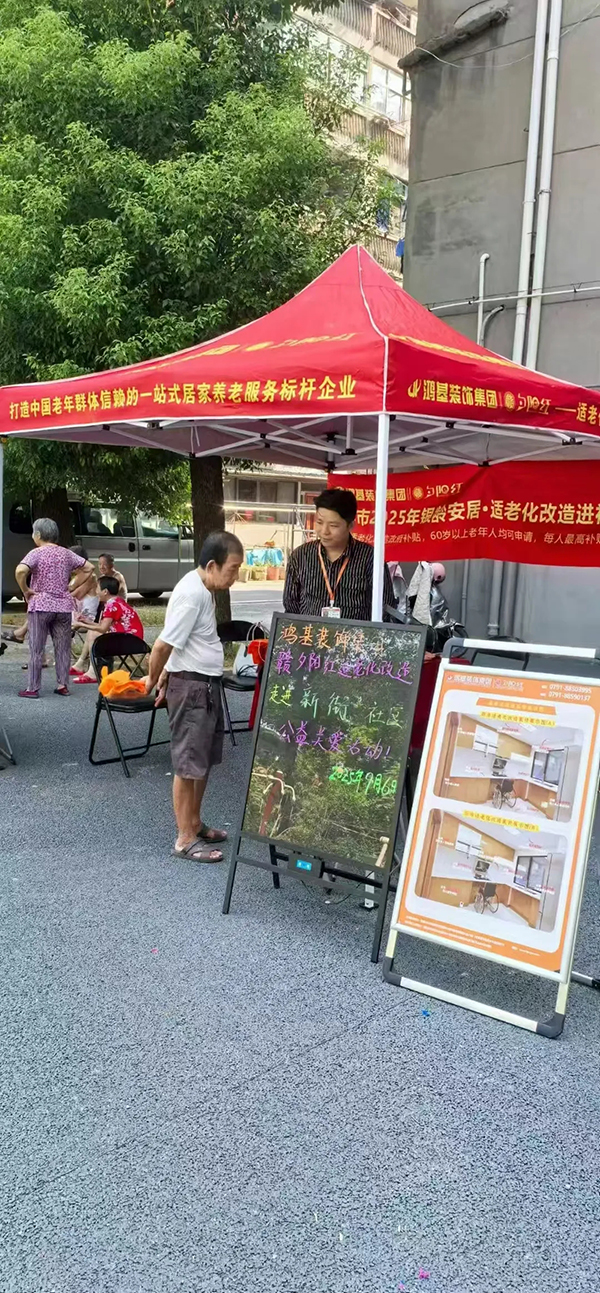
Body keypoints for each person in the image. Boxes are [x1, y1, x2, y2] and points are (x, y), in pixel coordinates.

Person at [144, 531, 244, 863]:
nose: (235, 576)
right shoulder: (191, 594)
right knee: (188, 766)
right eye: (233, 568)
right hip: (192, 689)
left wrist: (166, 673)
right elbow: (162, 645)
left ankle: (195, 823)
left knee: (201, 763)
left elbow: (183, 641)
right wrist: (154, 678)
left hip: (204, 686)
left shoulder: (204, 589)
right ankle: (184, 838)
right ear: (213, 565)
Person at [283, 488, 395, 621]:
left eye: (333, 525)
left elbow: (385, 609)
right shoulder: (300, 556)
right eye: (319, 522)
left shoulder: (370, 559)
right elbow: (291, 606)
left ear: (350, 525)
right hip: (309, 633)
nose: (324, 531)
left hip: (354, 633)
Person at [15, 519, 94, 698]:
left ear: (38, 535)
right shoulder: (66, 553)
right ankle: (62, 685)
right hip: (63, 606)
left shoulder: (36, 553)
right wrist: (72, 586)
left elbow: (20, 571)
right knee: (62, 647)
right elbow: (89, 568)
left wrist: (25, 589)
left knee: (36, 648)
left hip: (41, 605)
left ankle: (32, 688)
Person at [72, 577, 144, 682]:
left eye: (97, 588)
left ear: (105, 591)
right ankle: (81, 664)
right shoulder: (116, 601)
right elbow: (103, 626)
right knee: (92, 631)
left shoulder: (111, 605)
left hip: (129, 642)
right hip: (132, 640)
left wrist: (80, 624)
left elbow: (102, 629)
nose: (96, 592)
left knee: (94, 633)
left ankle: (92, 672)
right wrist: (85, 621)